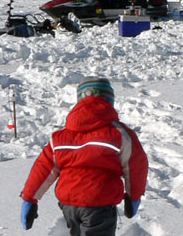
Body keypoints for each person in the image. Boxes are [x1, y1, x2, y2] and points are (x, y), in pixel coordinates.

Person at [19, 77, 149, 236]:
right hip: (99, 203)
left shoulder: (60, 137)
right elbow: (136, 166)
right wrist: (133, 196)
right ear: (109, 101)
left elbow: (43, 168)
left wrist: (30, 198)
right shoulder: (120, 134)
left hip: (69, 204)